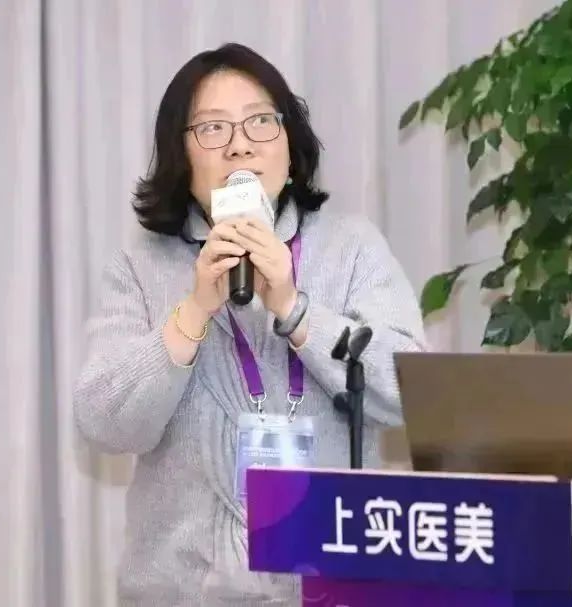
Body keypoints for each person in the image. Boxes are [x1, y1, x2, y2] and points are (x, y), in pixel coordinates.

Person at [72, 42, 427, 606]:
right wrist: (193, 312)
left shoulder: (352, 247)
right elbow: (105, 424)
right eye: (213, 128)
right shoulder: (140, 267)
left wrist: (295, 309)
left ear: (289, 144)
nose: (240, 144)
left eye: (261, 120)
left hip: (329, 590)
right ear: (181, 155)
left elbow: (413, 397)